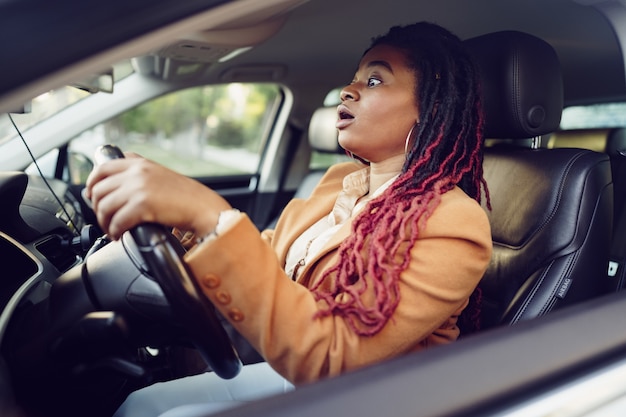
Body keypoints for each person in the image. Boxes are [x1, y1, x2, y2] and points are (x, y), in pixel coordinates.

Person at [86, 21, 492, 417]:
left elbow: (339, 356)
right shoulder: (340, 183)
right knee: (142, 403)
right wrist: (180, 218)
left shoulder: (452, 222)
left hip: (372, 398)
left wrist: (210, 213)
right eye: (353, 78)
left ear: (432, 109)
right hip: (304, 378)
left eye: (373, 81)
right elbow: (271, 255)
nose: (347, 91)